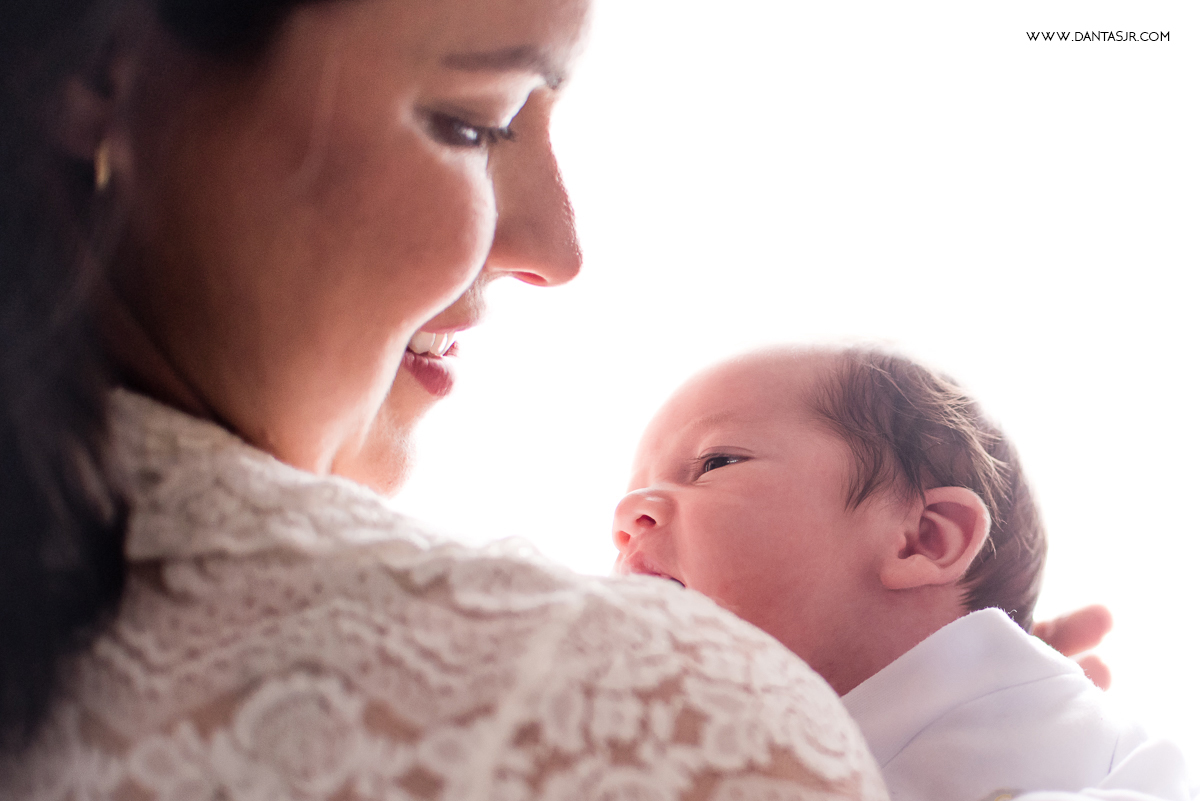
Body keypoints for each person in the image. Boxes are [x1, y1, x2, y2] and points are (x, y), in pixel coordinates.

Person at [0, 0, 890, 798]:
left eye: (719, 462)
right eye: (475, 124)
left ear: (932, 536)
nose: (557, 248)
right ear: (104, 70)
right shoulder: (669, 726)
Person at [613, 346, 1190, 801]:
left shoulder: (1073, 741)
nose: (629, 514)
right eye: (634, 488)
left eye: (715, 462)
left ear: (922, 539)